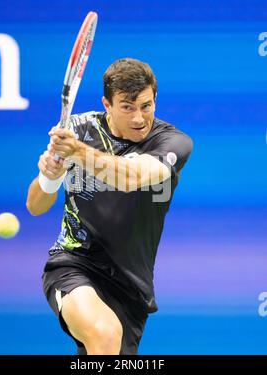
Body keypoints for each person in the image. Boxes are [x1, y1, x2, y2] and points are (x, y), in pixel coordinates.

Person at [26, 58, 193, 355]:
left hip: (131, 286)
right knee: (104, 334)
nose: (140, 118)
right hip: (74, 263)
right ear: (107, 103)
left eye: (146, 105)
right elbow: (35, 206)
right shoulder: (78, 129)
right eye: (128, 107)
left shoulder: (172, 142)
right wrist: (50, 177)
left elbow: (132, 177)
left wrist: (78, 152)